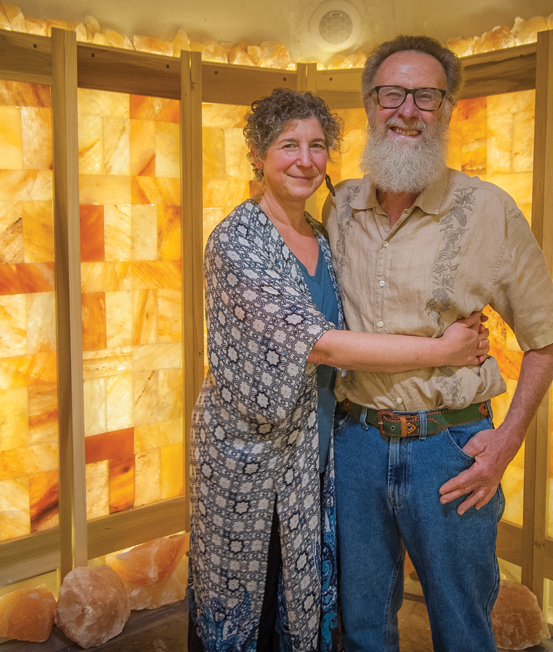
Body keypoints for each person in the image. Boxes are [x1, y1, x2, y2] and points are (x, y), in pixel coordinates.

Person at [187, 88, 491, 652]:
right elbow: (322, 346)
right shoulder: (236, 242)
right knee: (247, 602)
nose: (306, 160)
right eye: (288, 146)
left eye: (318, 146)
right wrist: (442, 351)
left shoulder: (323, 237)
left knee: (301, 601)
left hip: (314, 450)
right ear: (257, 154)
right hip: (249, 460)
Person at [322, 35, 553, 652]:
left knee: (462, 627)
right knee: (360, 628)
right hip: (354, 444)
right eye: (391, 94)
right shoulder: (339, 206)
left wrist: (507, 441)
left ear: (448, 109)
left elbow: (548, 330)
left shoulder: (488, 209)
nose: (407, 110)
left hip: (451, 449)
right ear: (369, 105)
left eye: (426, 96)